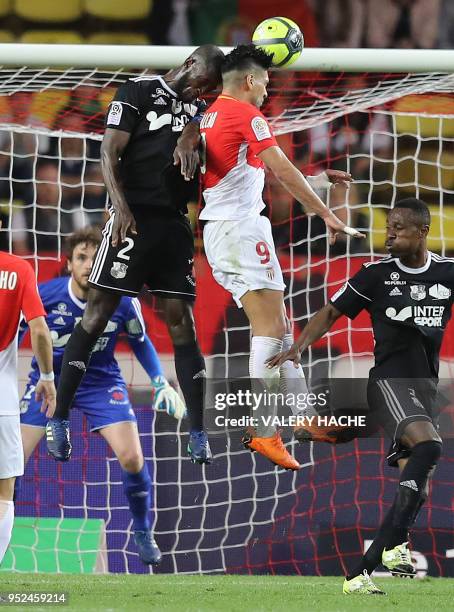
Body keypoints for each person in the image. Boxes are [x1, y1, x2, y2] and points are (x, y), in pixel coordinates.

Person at [46, 44, 225, 465]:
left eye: (212, 88)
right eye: (204, 80)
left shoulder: (201, 110)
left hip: (176, 224)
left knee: (182, 323)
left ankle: (197, 430)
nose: (205, 90)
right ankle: (60, 417)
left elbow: (219, 134)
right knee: (97, 314)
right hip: (133, 217)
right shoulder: (139, 90)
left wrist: (192, 131)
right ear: (189, 64)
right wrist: (121, 207)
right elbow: (108, 151)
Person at [267, 198, 449, 594]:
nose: (389, 235)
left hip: (424, 390)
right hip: (389, 383)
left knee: (420, 481)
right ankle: (372, 561)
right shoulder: (374, 275)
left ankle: (388, 551)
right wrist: (299, 346)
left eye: (398, 228)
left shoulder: (447, 272)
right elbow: (331, 312)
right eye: (388, 227)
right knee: (430, 448)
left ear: (422, 232)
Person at [199, 44, 363, 470]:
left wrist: (322, 181)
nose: (268, 91)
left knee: (281, 327)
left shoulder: (213, 113)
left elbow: (251, 173)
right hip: (238, 230)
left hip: (229, 229)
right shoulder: (244, 114)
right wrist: (327, 214)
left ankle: (303, 415)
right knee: (269, 329)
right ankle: (265, 430)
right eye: (266, 83)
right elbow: (281, 171)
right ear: (250, 81)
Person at [19, 227, 185, 565]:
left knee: (133, 459)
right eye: (81, 257)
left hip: (100, 383)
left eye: (95, 258)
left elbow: (140, 341)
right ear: (69, 263)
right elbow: (12, 332)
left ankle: (142, 529)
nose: (88, 264)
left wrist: (160, 382)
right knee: (10, 462)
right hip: (49, 385)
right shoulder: (45, 296)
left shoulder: (123, 301)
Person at [0, 231, 56, 566]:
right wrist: (47, 378)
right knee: (3, 493)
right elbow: (38, 330)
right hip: (2, 402)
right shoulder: (19, 270)